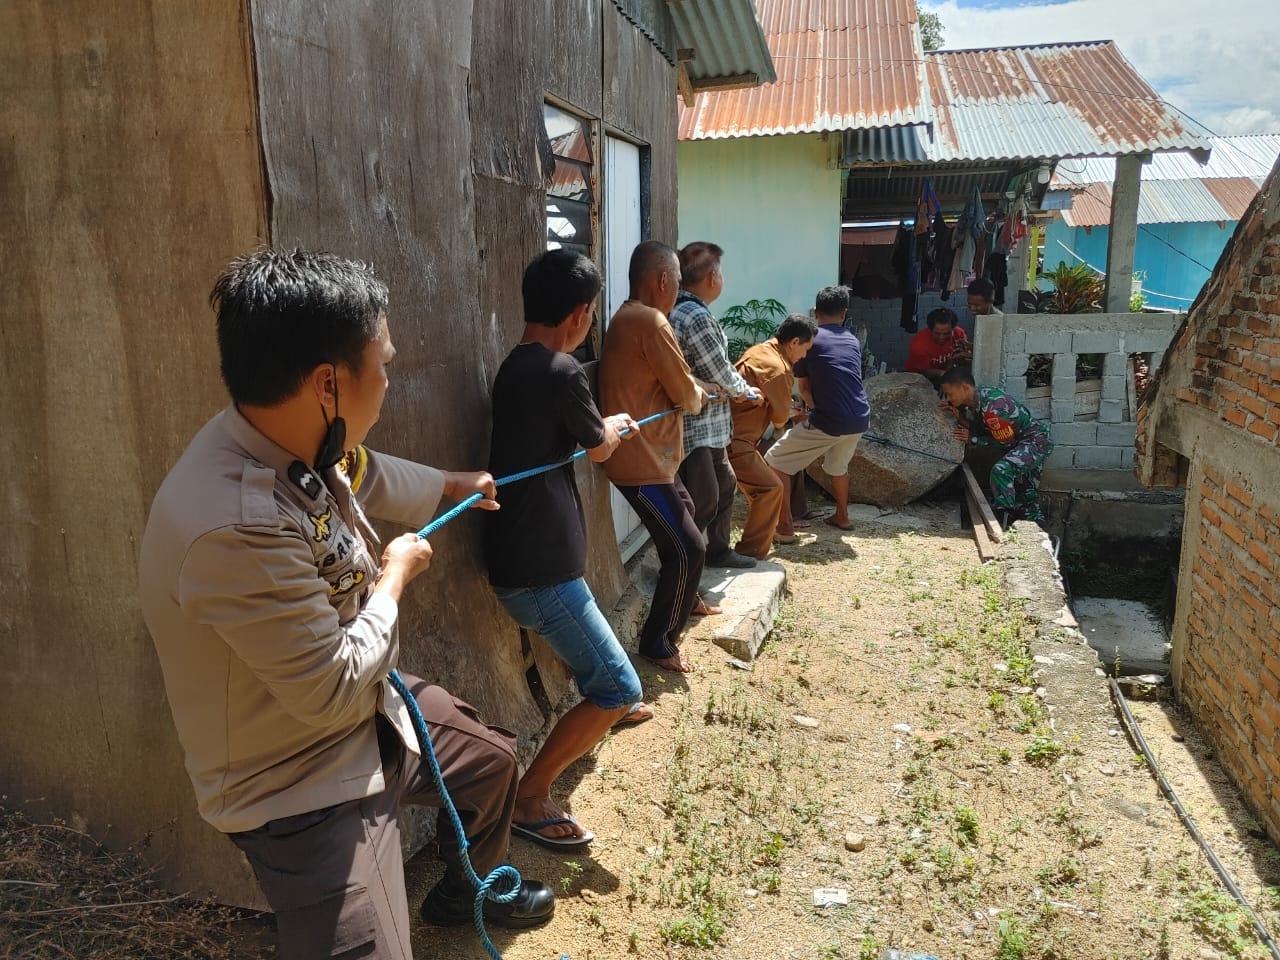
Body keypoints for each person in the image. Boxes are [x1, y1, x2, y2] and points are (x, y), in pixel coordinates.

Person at [138, 250, 555, 960]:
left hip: (369, 701)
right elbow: (328, 692)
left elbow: (360, 469)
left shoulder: (290, 434)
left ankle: (471, 887)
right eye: (384, 364)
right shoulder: (234, 522)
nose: (389, 381)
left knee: (491, 761)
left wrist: (449, 483)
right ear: (328, 382)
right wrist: (395, 576)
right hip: (299, 779)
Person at [484, 250, 650, 851]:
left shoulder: (515, 366)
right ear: (581, 314)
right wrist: (616, 426)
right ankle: (530, 797)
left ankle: (602, 709)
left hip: (528, 559)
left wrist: (600, 428)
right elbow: (601, 449)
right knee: (619, 687)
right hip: (540, 573)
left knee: (604, 676)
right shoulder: (562, 372)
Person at [599, 241, 711, 673]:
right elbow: (685, 392)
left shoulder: (628, 318)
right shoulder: (650, 321)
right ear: (663, 280)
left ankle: (687, 599)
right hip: (640, 464)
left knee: (689, 513)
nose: (678, 290)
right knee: (688, 547)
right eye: (678, 282)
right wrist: (699, 394)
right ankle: (659, 643)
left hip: (652, 459)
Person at [669, 241, 762, 571]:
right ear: (711, 278)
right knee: (704, 498)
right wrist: (744, 391)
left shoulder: (681, 309)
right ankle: (687, 558)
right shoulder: (695, 316)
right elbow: (718, 371)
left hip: (707, 424)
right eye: (720, 272)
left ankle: (718, 550)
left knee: (724, 486)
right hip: (698, 425)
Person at [764, 285, 871, 535]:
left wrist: (809, 411)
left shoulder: (810, 340)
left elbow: (805, 389)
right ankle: (842, 517)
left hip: (831, 420)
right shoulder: (852, 340)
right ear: (843, 314)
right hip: (860, 418)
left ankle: (785, 527)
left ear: (815, 312)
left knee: (775, 460)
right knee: (838, 467)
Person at [728, 314, 818, 557]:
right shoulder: (779, 369)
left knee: (759, 491)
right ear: (794, 342)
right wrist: (789, 409)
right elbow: (779, 420)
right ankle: (751, 553)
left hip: (730, 435)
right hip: (737, 440)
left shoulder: (760, 351)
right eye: (806, 349)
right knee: (771, 488)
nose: (804, 356)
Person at [939, 364, 1054, 525]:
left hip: (1035, 443)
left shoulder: (993, 409)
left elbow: (1004, 443)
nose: (948, 399)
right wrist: (960, 418)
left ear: (964, 387)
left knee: (1002, 470)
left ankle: (1003, 518)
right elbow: (983, 428)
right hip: (1024, 443)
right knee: (1025, 494)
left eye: (950, 394)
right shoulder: (980, 398)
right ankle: (1039, 530)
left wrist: (972, 440)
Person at [905, 307, 972, 384]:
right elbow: (922, 371)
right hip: (919, 378)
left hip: (947, 373)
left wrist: (964, 358)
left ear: (953, 329)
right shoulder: (918, 345)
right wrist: (943, 372)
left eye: (947, 333)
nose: (941, 337)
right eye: (937, 333)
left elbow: (964, 362)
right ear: (930, 330)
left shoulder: (959, 334)